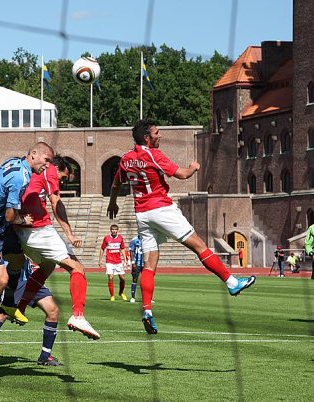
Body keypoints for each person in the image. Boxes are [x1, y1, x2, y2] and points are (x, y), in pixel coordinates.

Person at [107, 119, 256, 335]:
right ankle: (232, 282)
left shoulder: (126, 159)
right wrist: (194, 167)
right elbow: (182, 174)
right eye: (157, 133)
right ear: (147, 138)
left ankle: (147, 311)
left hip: (142, 214)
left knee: (149, 265)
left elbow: (116, 184)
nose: (160, 135)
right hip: (162, 209)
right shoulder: (153, 154)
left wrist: (113, 203)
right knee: (199, 246)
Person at [0, 142, 54, 355]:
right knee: (1, 281)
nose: (47, 165)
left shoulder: (13, 162)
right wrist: (23, 220)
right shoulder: (21, 177)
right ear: (34, 154)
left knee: (18, 260)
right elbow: (9, 216)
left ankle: (8, 305)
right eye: (46, 160)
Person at [13, 155, 100, 340]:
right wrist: (70, 234)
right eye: (63, 177)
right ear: (57, 168)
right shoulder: (50, 170)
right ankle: (78, 316)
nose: (60, 181)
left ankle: (20, 307)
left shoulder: (27, 170)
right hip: (39, 230)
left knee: (47, 266)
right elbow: (56, 203)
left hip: (21, 231)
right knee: (77, 268)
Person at [0, 258, 61, 371]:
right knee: (3, 313)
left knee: (53, 310)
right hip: (16, 278)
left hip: (31, 278)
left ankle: (45, 356)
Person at [98, 224, 128, 302]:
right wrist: (100, 260)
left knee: (122, 278)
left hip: (118, 261)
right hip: (109, 261)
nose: (114, 231)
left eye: (115, 229)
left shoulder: (120, 238)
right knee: (110, 277)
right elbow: (102, 249)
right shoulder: (106, 238)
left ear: (117, 230)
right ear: (110, 230)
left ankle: (121, 293)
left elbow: (122, 249)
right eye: (112, 229)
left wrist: (125, 259)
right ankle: (112, 296)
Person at [128, 235, 144, 303]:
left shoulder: (147, 239)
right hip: (137, 263)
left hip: (145, 263)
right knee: (135, 279)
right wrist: (133, 262)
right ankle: (133, 297)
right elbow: (131, 251)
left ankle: (147, 298)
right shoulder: (134, 239)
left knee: (146, 280)